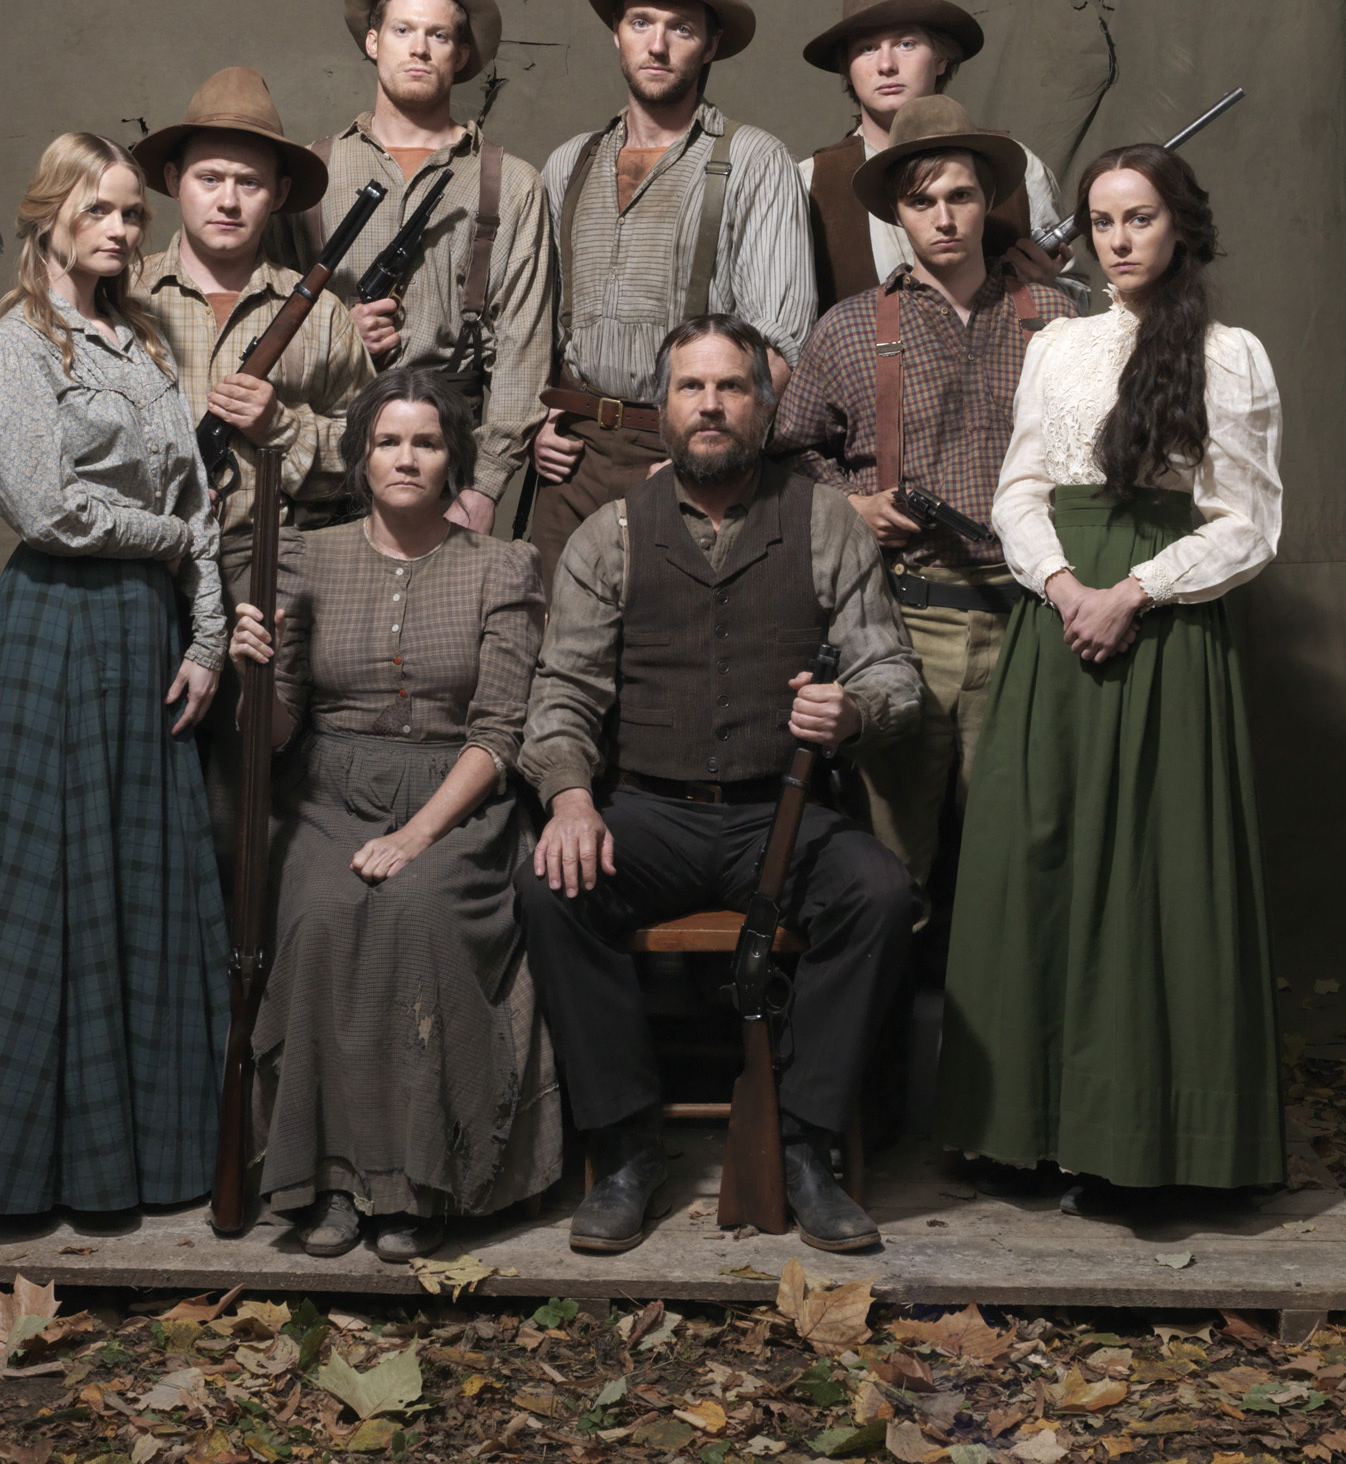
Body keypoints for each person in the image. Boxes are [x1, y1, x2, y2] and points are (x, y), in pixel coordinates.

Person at [516, 316, 922, 1255]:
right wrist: (572, 798)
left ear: (764, 406)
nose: (710, 405)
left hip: (780, 814)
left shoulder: (824, 519)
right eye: (692, 388)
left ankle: (807, 1144)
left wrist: (851, 713)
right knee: (549, 886)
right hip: (649, 813)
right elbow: (564, 692)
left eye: (731, 387)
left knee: (879, 891)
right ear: (662, 408)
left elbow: (894, 676)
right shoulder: (607, 534)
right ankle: (626, 1147)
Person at [935, 144, 1285, 1210]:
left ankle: (1146, 1139)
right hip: (1058, 619)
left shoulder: (1227, 355)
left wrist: (1129, 593)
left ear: (1176, 225)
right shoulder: (1058, 345)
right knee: (1035, 857)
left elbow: (1251, 520)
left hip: (1163, 632)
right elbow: (1018, 488)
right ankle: (1026, 1130)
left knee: (1151, 871)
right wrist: (1058, 585)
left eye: (1137, 218)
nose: (1118, 239)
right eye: (1099, 222)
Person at [0, 135, 228, 1217]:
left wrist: (208, 638)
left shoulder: (139, 338)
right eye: (102, 211)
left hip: (146, 631)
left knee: (140, 891)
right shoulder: (17, 344)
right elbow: (48, 510)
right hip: (54, 630)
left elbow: (197, 509)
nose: (124, 232)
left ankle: (138, 1163)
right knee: (50, 890)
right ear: (51, 214)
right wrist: (173, 548)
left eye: (135, 214)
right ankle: (19, 1169)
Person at [228, 371, 561, 1261]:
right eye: (387, 441)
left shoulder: (505, 565)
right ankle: (332, 1181)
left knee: (419, 914)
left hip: (457, 797)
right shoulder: (304, 555)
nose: (406, 458)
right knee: (329, 914)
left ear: (455, 458)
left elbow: (499, 732)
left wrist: (418, 836)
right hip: (329, 787)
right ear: (360, 456)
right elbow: (275, 734)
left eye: (426, 441)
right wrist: (253, 672)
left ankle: (414, 1184)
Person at [772, 97, 1077, 885]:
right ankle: (889, 1008)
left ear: (988, 203)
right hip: (904, 626)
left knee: (1018, 869)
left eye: (961, 196)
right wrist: (850, 503)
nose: (943, 218)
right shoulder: (848, 328)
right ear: (898, 217)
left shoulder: (1058, 320)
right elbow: (788, 452)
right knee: (891, 871)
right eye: (922, 201)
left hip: (1029, 625)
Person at [133, 67, 371, 871]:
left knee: (249, 814)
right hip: (142, 574)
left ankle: (253, 983)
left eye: (249, 183)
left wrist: (283, 427)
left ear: (278, 196)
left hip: (269, 576)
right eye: (209, 179)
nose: (228, 200)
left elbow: (377, 459)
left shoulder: (325, 315)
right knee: (142, 798)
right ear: (173, 183)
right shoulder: (122, 299)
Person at [530, 0, 817, 585]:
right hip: (570, 461)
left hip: (689, 452)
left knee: (673, 663)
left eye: (680, 28)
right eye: (641, 23)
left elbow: (778, 346)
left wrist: (708, 457)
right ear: (616, 33)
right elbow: (534, 319)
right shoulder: (568, 163)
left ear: (710, 45)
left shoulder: (754, 160)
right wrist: (538, 416)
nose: (657, 45)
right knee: (555, 657)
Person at [275, 0, 554, 532]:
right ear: (373, 42)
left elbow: (523, 348)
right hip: (324, 444)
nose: (419, 48)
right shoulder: (308, 172)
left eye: (438, 35)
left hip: (449, 451)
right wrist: (335, 337)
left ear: (463, 53)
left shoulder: (513, 183)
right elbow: (260, 322)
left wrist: (485, 486)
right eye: (402, 30)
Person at [797, 0, 1076, 310]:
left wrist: (1047, 289)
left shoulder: (1018, 168)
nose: (886, 65)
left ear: (941, 58)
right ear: (847, 68)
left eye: (906, 44)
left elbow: (1079, 309)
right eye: (867, 48)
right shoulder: (810, 184)